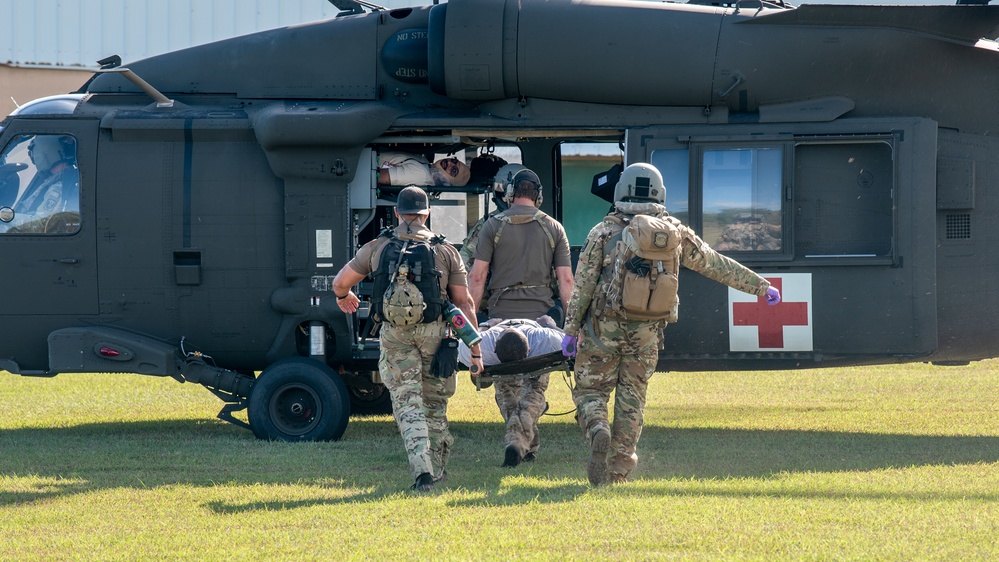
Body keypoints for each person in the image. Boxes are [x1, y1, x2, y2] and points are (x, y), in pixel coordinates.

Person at [561, 162, 781, 486]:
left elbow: (583, 286)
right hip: (647, 335)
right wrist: (761, 286)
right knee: (632, 399)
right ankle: (618, 473)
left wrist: (569, 331)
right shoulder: (674, 233)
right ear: (659, 193)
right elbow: (715, 264)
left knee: (590, 391)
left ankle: (597, 428)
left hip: (601, 332)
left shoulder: (601, 232)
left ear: (622, 189)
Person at [332, 186, 483, 493]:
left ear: (398, 212)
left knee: (407, 404)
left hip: (395, 335)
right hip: (436, 334)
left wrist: (343, 297)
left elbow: (340, 282)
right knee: (435, 405)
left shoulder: (377, 246)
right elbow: (464, 303)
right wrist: (476, 351)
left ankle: (422, 473)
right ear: (427, 213)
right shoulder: (446, 251)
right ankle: (437, 471)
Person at [467, 168, 574, 468]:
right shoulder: (554, 228)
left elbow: (477, 278)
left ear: (512, 193)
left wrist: (473, 324)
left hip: (500, 324)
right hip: (541, 324)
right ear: (538, 196)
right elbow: (566, 281)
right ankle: (522, 438)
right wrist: (573, 327)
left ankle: (520, 440)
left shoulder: (492, 226)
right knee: (536, 388)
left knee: (506, 388)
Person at [2, 135, 79, 233]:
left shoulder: (59, 187)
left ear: (43, 154)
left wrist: (4, 215)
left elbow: (41, 225)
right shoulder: (54, 181)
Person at [377, 151, 471, 187]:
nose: (450, 163)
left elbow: (376, 176)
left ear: (449, 182)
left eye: (454, 170)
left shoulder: (420, 174)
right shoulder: (426, 164)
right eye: (454, 161)